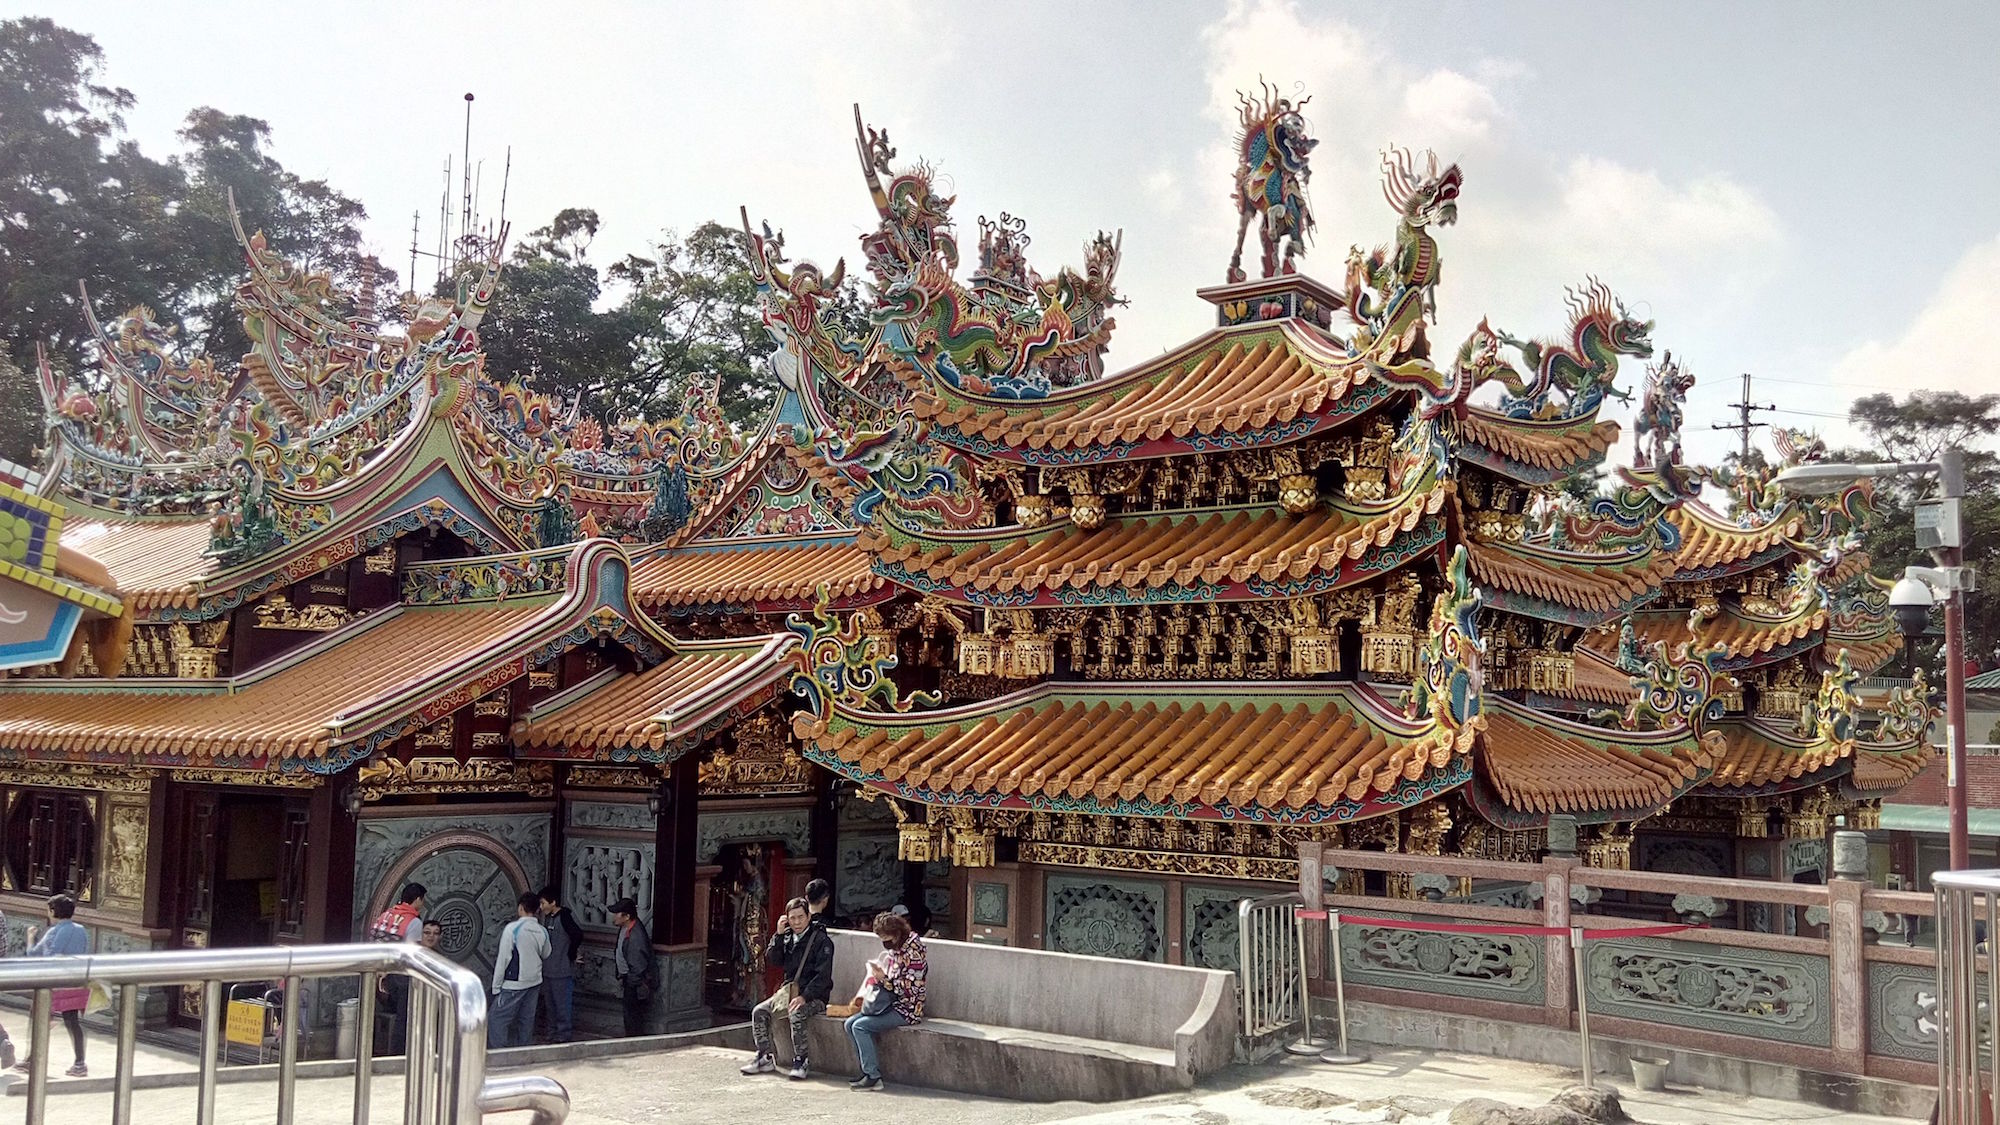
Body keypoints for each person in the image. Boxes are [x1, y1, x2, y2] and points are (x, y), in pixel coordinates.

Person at [741, 896, 835, 1079]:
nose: (797, 922)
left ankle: (801, 1060)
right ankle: (765, 1056)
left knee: (797, 1013)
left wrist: (805, 997)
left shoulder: (821, 941)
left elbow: (822, 977)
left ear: (808, 916)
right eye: (792, 918)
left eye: (800, 917)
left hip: (815, 997)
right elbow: (774, 960)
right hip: (789, 991)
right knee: (759, 1011)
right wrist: (778, 935)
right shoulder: (787, 938)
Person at [843, 910, 927, 1092]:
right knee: (850, 1024)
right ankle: (866, 1070)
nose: (885, 943)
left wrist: (883, 979)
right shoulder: (897, 950)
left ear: (896, 935)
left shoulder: (913, 953)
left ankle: (873, 1076)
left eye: (886, 937)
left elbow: (907, 990)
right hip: (892, 1004)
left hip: (908, 1009)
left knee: (860, 1026)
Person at [14, 894, 91, 1078]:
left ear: (54, 911)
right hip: (76, 981)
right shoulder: (81, 930)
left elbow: (36, 955)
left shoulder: (54, 932)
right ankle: (80, 1063)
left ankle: (32, 1059)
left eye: (48, 909)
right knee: (72, 1022)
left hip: (54, 983)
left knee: (38, 1019)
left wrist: (30, 937)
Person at [367, 882, 426, 1055]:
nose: (422, 904)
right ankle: (398, 1054)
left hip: (376, 972)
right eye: (422, 900)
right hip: (399, 976)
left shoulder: (386, 915)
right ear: (417, 899)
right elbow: (411, 953)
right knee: (404, 1017)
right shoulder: (413, 922)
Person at [488, 892, 550, 1049]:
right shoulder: (542, 930)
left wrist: (496, 987)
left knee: (497, 1018)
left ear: (520, 908)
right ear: (537, 910)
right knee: (526, 1019)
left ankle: (500, 1052)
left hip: (514, 983)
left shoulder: (513, 929)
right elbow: (546, 953)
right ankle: (523, 1052)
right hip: (534, 980)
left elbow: (504, 958)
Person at [537, 885, 584, 1043]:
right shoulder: (549, 919)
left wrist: (571, 953)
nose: (541, 907)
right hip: (548, 970)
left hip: (561, 971)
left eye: (543, 903)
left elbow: (577, 934)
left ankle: (563, 1034)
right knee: (550, 1006)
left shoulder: (564, 917)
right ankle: (551, 1032)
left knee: (562, 1006)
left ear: (553, 902)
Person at [610, 897, 657, 1037]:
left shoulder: (636, 935)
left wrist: (631, 982)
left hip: (634, 982)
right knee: (631, 1014)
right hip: (629, 979)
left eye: (617, 913)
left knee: (633, 1015)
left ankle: (633, 1040)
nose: (614, 916)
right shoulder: (625, 928)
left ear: (627, 916)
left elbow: (638, 965)